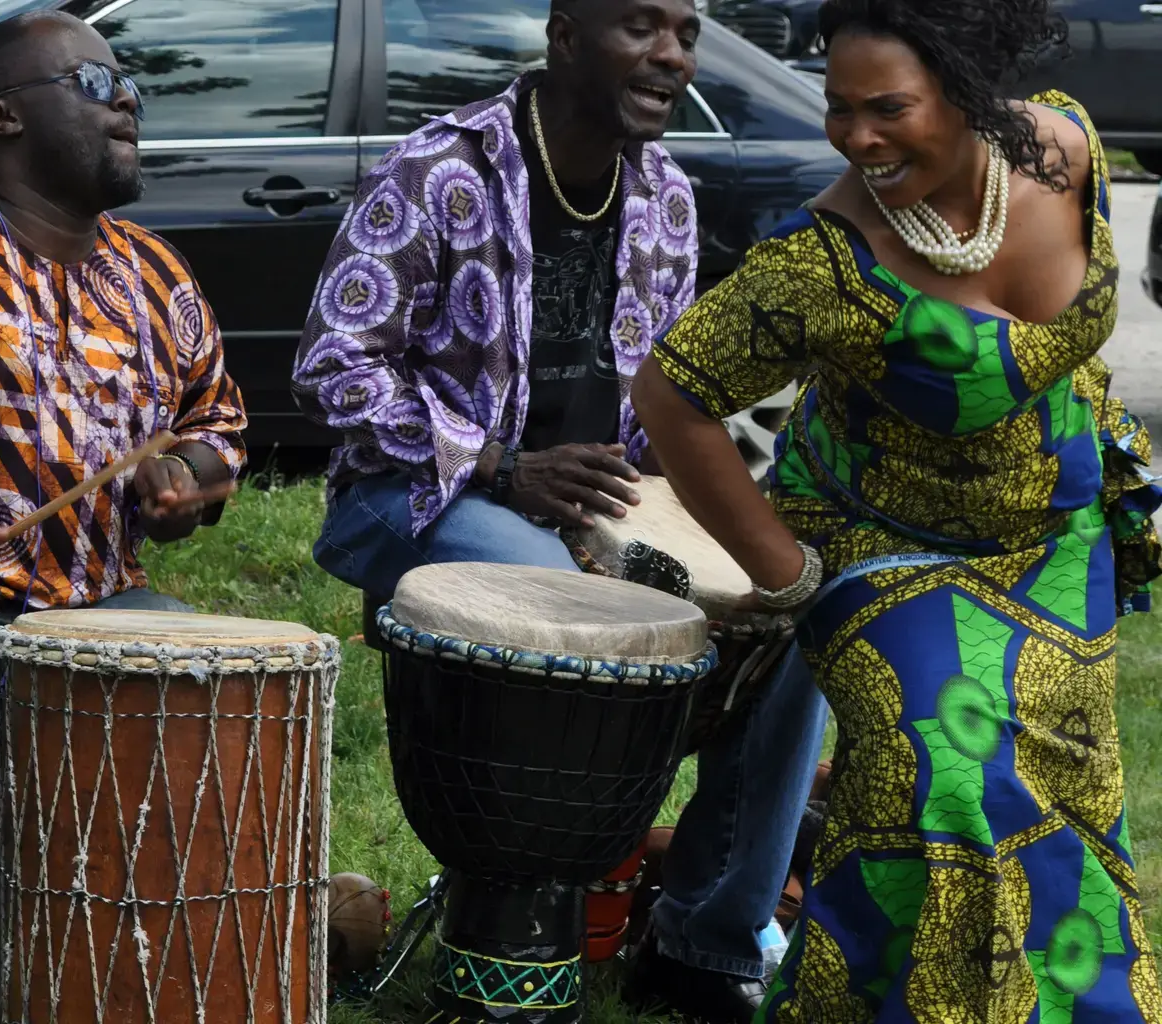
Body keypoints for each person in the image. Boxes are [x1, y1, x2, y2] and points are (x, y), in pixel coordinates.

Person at [294, 0, 828, 1018]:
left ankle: (704, 944)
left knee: (797, 614)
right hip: (408, 500)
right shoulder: (438, 170)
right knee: (553, 581)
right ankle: (512, 923)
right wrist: (497, 465)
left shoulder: (666, 196)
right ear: (566, 34)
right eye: (641, 27)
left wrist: (716, 529)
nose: (670, 55)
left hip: (590, 513)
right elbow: (332, 366)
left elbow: (658, 421)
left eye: (685, 33)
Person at [631, 0, 1162, 1018]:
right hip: (883, 545)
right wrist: (782, 570)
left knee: (1054, 796)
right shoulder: (822, 261)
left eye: (886, 108)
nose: (855, 137)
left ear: (966, 90)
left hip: (1054, 542)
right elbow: (668, 396)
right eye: (837, 109)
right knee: (950, 775)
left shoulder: (1064, 144)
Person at [0, 11, 246, 1021]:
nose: (126, 98)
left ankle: (119, 981)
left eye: (129, 82)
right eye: (93, 83)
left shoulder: (154, 273)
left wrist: (183, 471)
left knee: (232, 693)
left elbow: (217, 423)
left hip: (99, 605)